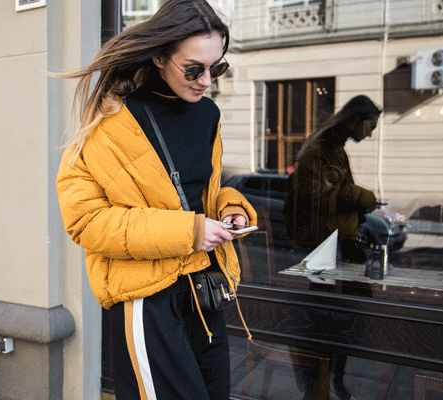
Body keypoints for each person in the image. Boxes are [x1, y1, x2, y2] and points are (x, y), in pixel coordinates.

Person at [55, 1, 257, 399]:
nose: (206, 81)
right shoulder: (111, 121)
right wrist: (189, 231)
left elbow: (203, 192)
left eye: (216, 68)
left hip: (204, 289)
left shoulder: (208, 115)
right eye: (193, 69)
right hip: (147, 298)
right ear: (161, 57)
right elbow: (86, 222)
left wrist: (230, 209)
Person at [283, 95, 382, 263]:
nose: (370, 134)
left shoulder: (333, 146)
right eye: (370, 127)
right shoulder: (324, 148)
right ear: (356, 120)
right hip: (327, 240)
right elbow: (323, 194)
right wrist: (366, 197)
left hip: (332, 238)